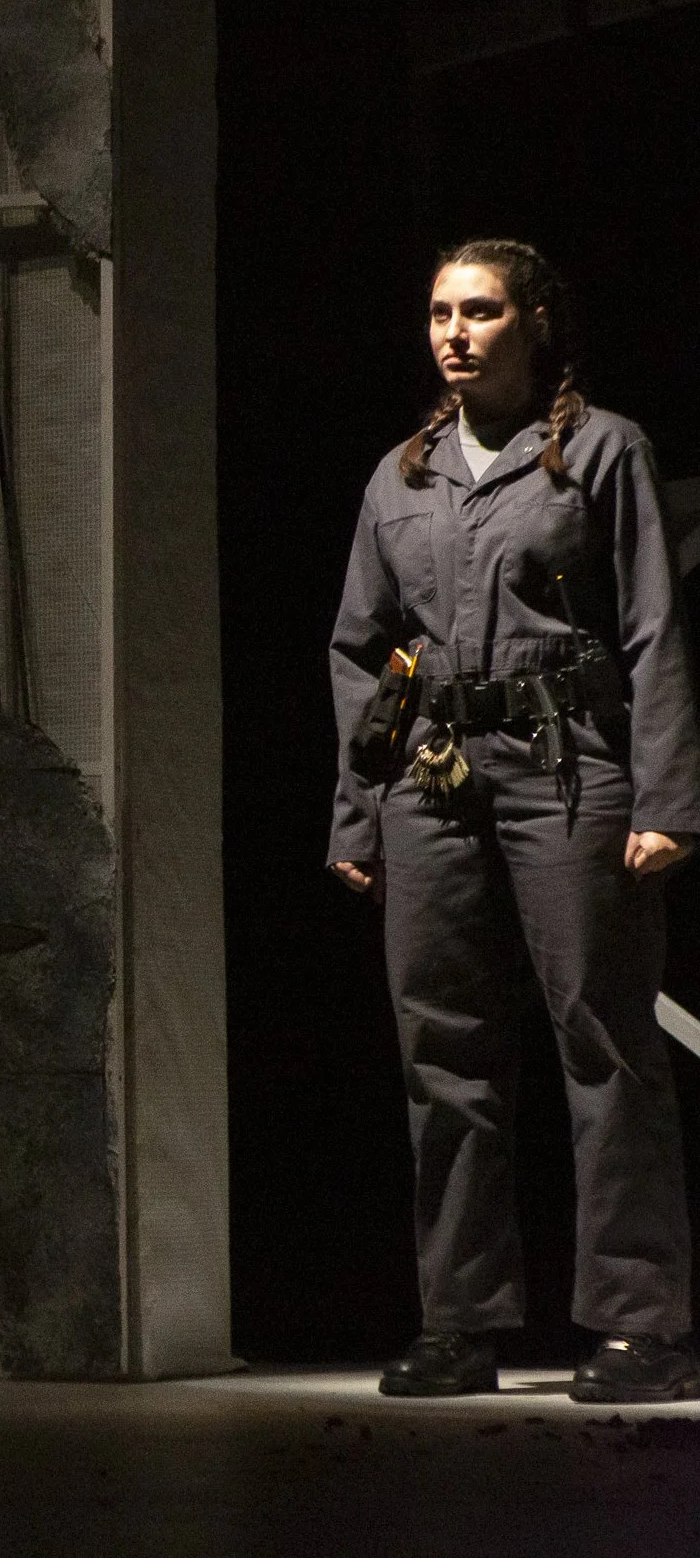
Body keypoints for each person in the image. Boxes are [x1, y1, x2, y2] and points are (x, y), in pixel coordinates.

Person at [329, 240, 700, 1403]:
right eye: (439, 310)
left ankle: (643, 1322)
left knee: (603, 1037)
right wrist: (357, 813)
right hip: (430, 784)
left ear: (535, 322)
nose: (454, 331)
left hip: (570, 770)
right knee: (441, 1049)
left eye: (480, 310)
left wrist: (667, 796)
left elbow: (653, 632)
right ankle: (460, 1321)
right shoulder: (402, 473)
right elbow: (357, 649)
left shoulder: (601, 450)